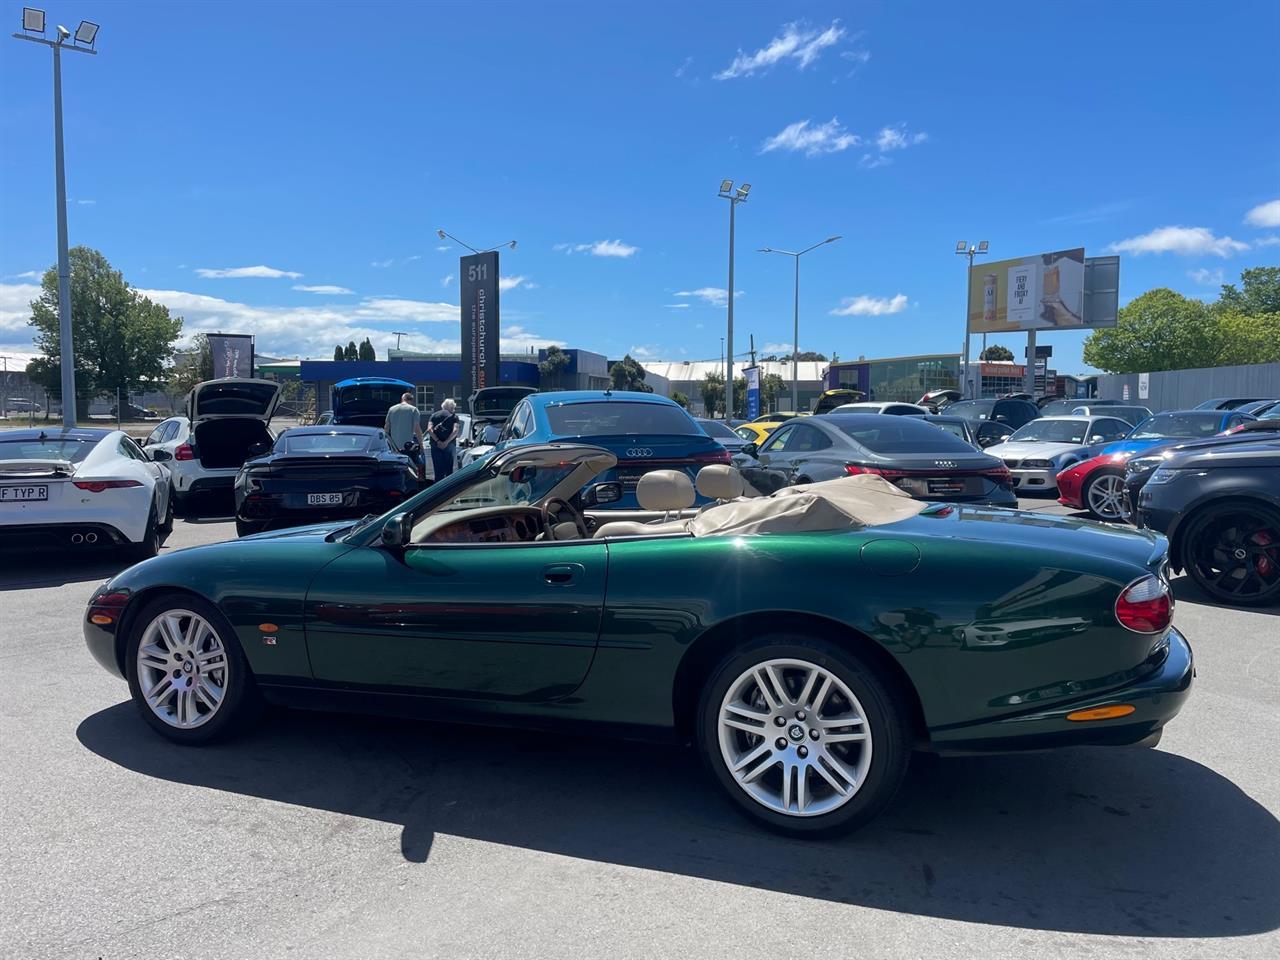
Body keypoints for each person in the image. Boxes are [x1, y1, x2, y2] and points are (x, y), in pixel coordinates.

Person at [384, 391, 425, 480]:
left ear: (402, 399)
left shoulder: (392, 409)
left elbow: (386, 428)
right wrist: (421, 445)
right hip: (408, 448)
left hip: (394, 448)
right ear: (411, 401)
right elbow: (417, 428)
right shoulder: (413, 410)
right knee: (414, 468)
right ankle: (418, 483)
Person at [428, 397, 461, 482]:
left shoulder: (433, 416)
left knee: (438, 470)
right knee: (449, 470)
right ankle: (448, 492)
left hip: (435, 444)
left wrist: (438, 441)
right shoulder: (454, 417)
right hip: (449, 445)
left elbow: (429, 430)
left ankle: (437, 491)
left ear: (443, 406)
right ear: (452, 407)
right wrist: (446, 442)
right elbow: (455, 430)